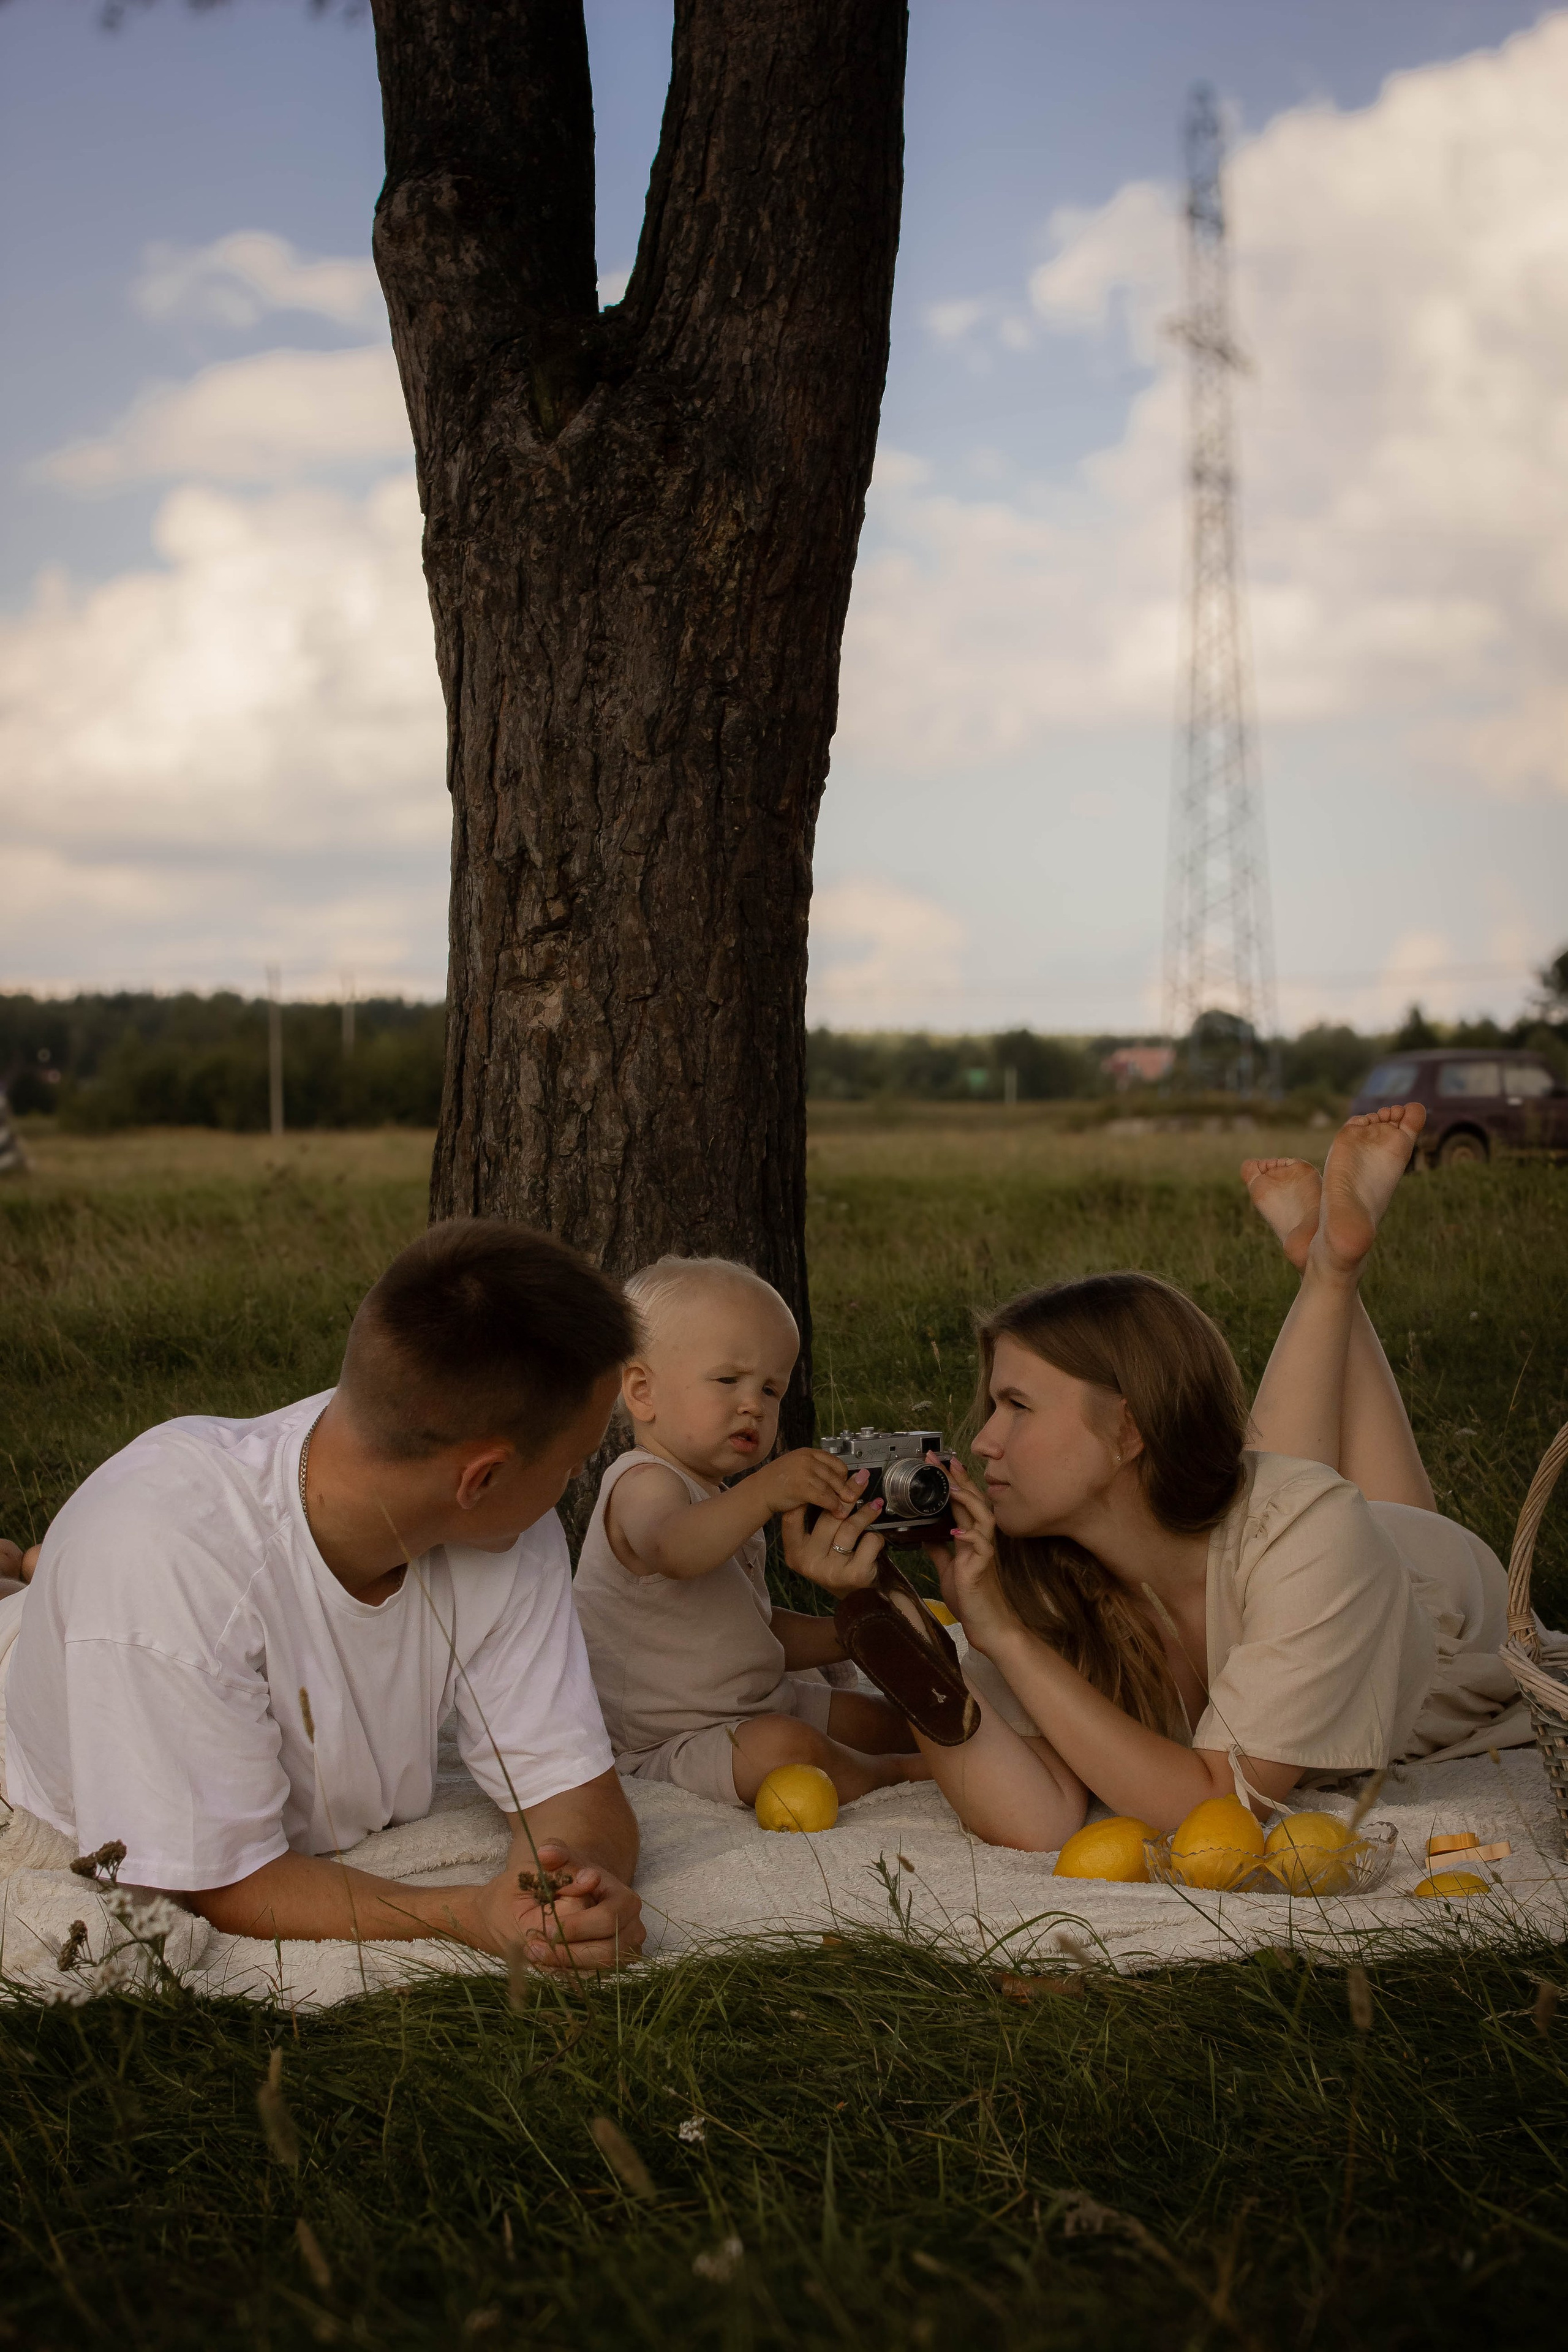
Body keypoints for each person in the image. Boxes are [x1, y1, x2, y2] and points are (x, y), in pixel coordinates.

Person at [1, 1219, 646, 1969]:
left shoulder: (496, 1523)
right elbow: (219, 1881)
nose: (574, 1482)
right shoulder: (168, 1554)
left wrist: (572, 1894)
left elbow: (576, 1791)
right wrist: (470, 1912)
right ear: (483, 1478)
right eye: (572, 1465)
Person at [897, 1103, 1534, 1852]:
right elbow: (1035, 1816)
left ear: (1128, 1428)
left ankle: (1330, 1270)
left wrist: (1002, 1636)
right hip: (1297, 1545)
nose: (984, 1442)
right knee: (1278, 1497)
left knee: (1305, 1509)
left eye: (1018, 1407)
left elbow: (1218, 1805)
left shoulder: (1310, 1533)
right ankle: (1328, 1267)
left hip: (1429, 1609)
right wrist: (885, 1611)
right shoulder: (1039, 1569)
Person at [574, 1256, 922, 1808]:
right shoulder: (643, 1483)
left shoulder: (716, 1499)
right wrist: (762, 1492)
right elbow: (673, 1548)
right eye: (728, 1380)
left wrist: (850, 1630)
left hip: (757, 1704)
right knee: (784, 1748)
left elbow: (747, 1632)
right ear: (642, 1392)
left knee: (892, 1716)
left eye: (771, 1390)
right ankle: (898, 1776)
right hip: (667, 1741)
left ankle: (927, 1751)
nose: (752, 1406)